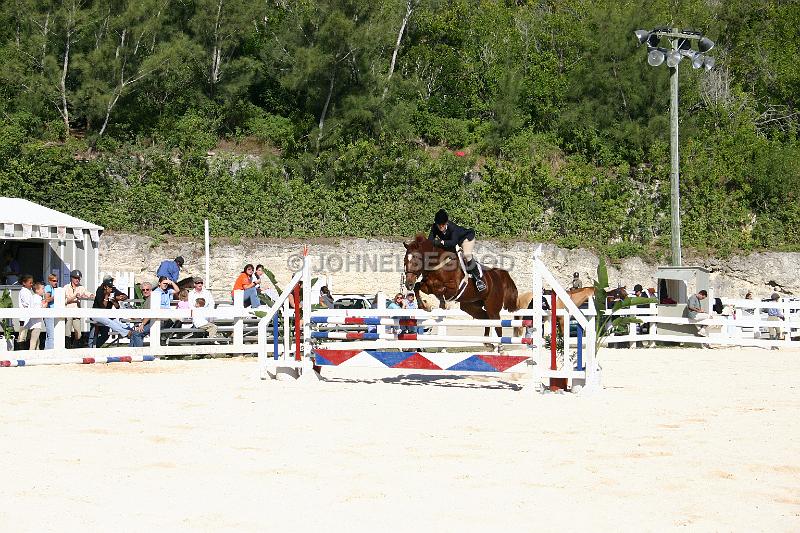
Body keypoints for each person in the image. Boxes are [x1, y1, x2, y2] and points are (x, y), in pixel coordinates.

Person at [428, 209, 485, 292]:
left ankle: (478, 279)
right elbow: (430, 241)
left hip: (465, 238)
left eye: (443, 224)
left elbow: (454, 242)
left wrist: (441, 242)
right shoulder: (434, 227)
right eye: (439, 225)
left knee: (467, 255)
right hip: (451, 242)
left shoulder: (453, 227)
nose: (441, 227)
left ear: (446, 222)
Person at [63, 270, 94, 347]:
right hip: (68, 312)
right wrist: (74, 297)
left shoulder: (81, 288)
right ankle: (67, 348)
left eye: (79, 278)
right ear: (71, 278)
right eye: (75, 278)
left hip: (76, 312)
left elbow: (89, 294)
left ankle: (74, 347)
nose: (77, 280)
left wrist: (90, 296)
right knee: (67, 333)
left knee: (78, 334)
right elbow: (64, 301)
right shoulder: (65, 288)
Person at [22, 281, 47, 350]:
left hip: (32, 323)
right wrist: (44, 306)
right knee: (33, 342)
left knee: (36, 342)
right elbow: (38, 311)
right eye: (42, 289)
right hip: (36, 324)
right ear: (37, 290)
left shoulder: (33, 297)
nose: (43, 290)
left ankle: (36, 355)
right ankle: (31, 356)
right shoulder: (38, 298)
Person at [16, 274, 34, 349]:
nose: (31, 284)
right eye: (30, 283)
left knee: (27, 336)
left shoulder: (28, 291)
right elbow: (26, 304)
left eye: (32, 283)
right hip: (24, 318)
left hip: (28, 317)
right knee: (22, 336)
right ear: (24, 283)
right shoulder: (24, 291)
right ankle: (20, 352)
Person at [43, 274, 58, 349]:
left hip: (54, 313)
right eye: (54, 281)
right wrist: (57, 296)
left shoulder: (55, 289)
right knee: (51, 335)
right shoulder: (48, 287)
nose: (56, 282)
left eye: (57, 281)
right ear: (49, 281)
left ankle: (47, 350)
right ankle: (50, 351)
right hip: (49, 313)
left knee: (50, 334)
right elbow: (47, 299)